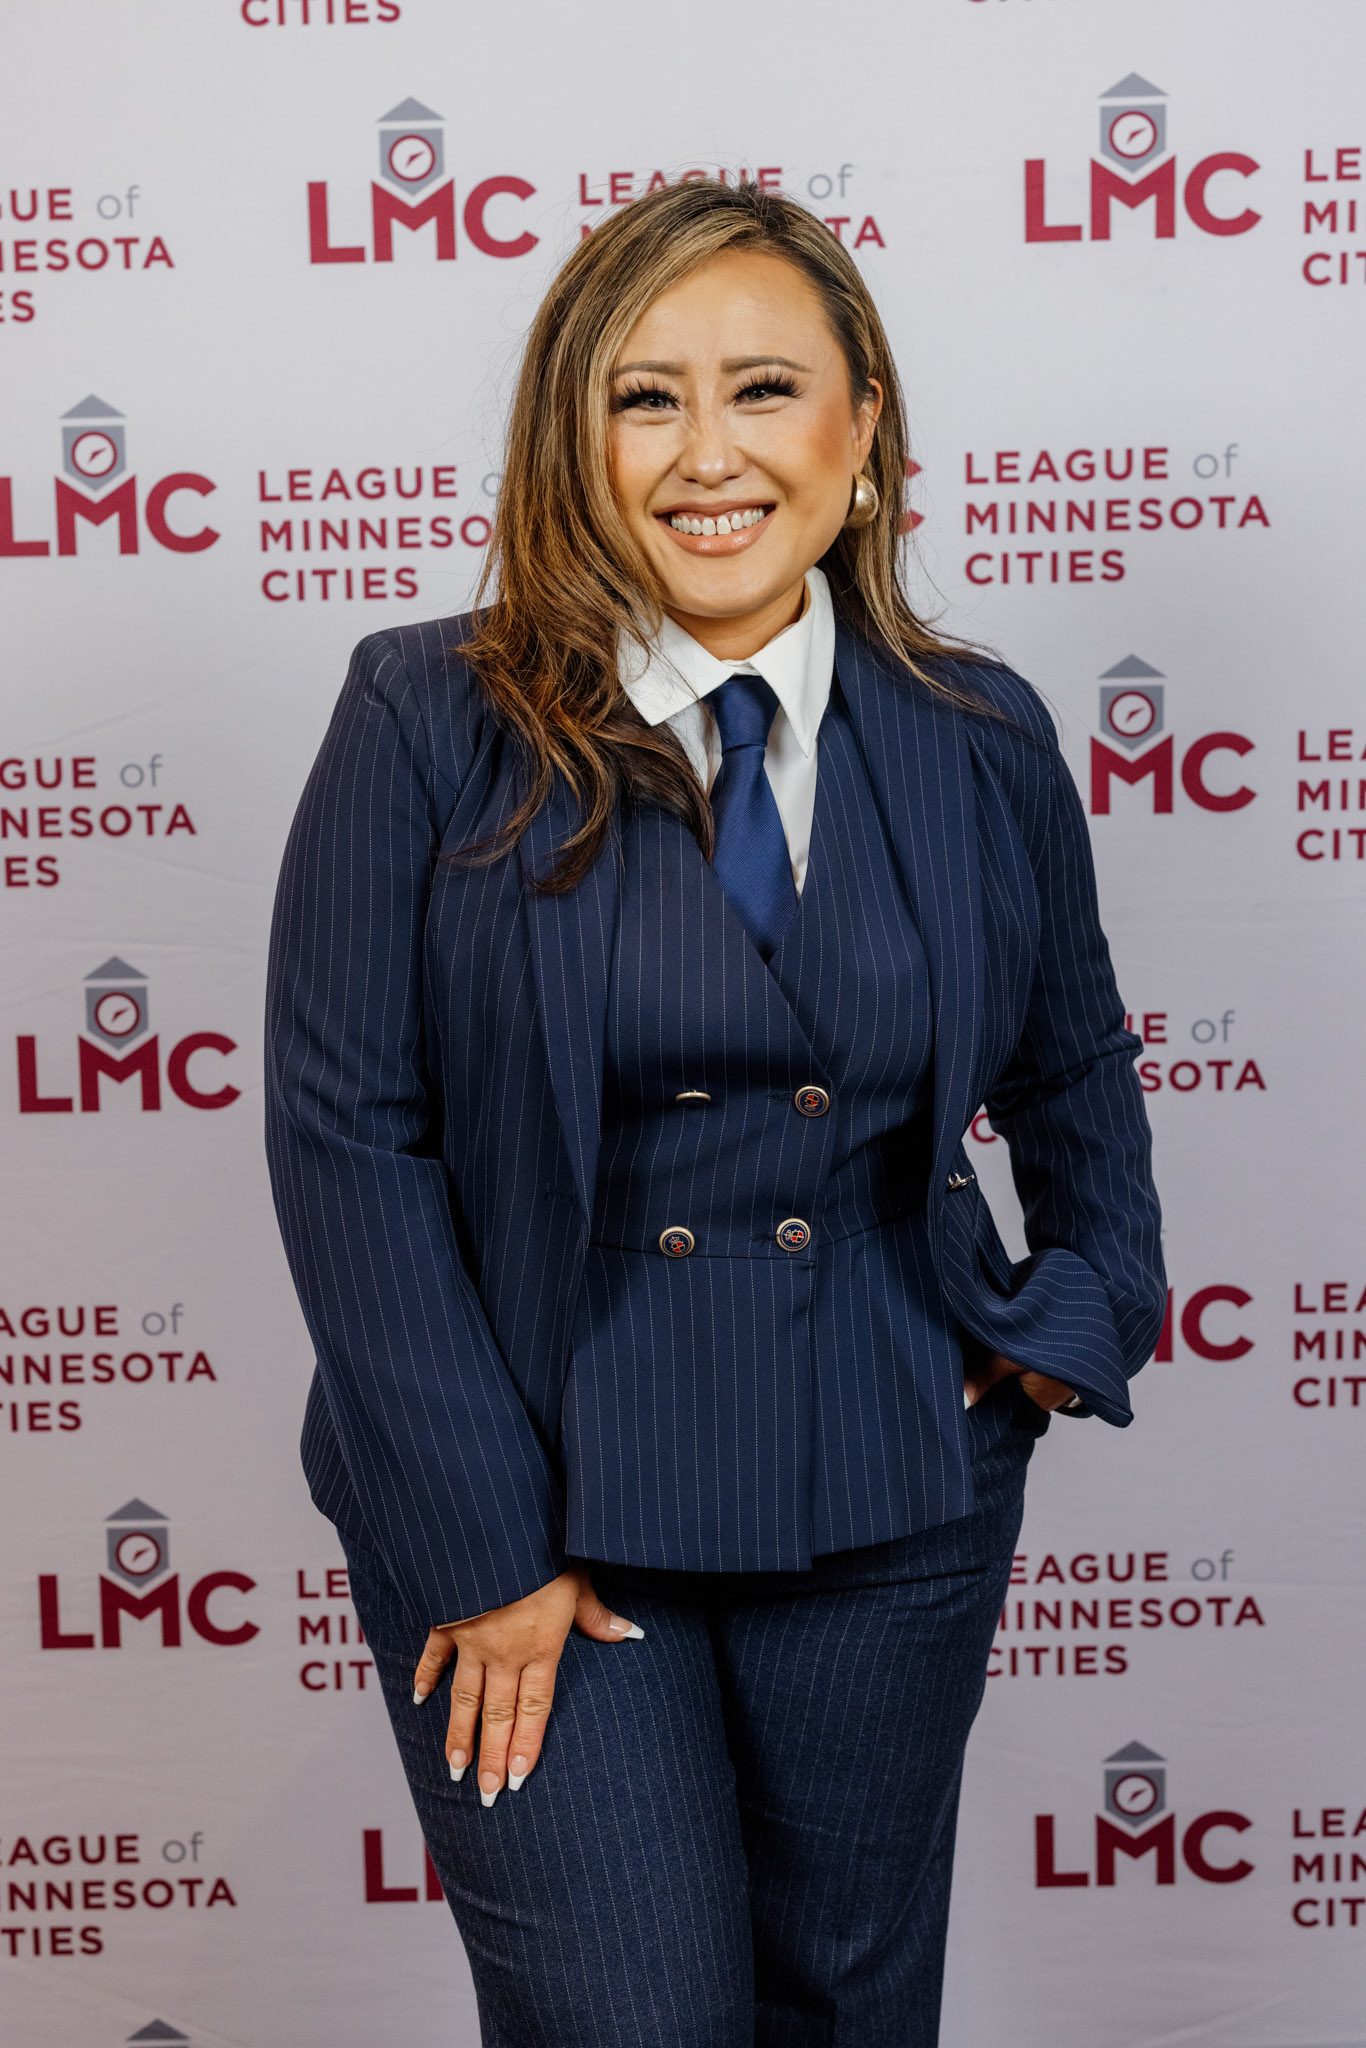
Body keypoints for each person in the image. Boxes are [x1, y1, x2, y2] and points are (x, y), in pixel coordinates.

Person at [266, 178, 1165, 2048]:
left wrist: (1076, 1317)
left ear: (862, 431)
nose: (706, 455)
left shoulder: (980, 730)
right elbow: (348, 1142)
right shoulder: (425, 715)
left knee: (848, 2008)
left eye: (762, 388)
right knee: (632, 2020)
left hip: (891, 1487)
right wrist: (481, 1550)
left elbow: (1074, 1061)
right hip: (541, 1510)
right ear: (572, 445)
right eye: (642, 397)